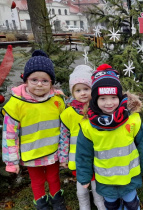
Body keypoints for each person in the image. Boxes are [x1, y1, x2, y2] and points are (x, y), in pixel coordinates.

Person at [75, 64, 143, 210]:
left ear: (120, 97)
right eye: (103, 98)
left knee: (131, 203)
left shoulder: (132, 119)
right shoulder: (88, 126)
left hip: (128, 176)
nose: (109, 103)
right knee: (111, 204)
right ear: (95, 100)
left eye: (113, 97)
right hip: (106, 179)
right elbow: (83, 154)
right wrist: (84, 176)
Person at [1, 50, 66, 210]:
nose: (39, 84)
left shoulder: (57, 101)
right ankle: (41, 202)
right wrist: (11, 161)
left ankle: (57, 199)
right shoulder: (16, 104)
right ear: (25, 79)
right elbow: (10, 135)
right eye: (34, 79)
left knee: (53, 177)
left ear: (51, 82)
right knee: (37, 180)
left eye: (44, 80)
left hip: (53, 151)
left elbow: (66, 127)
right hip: (31, 153)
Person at [58, 65, 105, 209]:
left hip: (96, 156)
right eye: (78, 90)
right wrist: (63, 157)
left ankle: (100, 204)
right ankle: (84, 206)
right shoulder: (68, 114)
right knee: (81, 187)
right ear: (72, 92)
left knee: (98, 186)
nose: (83, 93)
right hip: (77, 157)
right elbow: (64, 136)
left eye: (86, 89)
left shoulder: (98, 109)